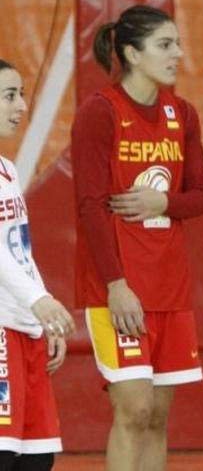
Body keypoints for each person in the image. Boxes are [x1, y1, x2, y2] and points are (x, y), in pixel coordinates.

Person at [70, 5, 203, 471]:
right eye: (165, 45)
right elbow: (89, 206)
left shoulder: (182, 114)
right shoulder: (99, 112)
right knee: (134, 410)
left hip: (170, 286)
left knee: (157, 417)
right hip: (119, 287)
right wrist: (115, 285)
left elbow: (199, 197)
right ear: (132, 52)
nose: (178, 54)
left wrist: (162, 204)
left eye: (178, 44)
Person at [0, 59, 76, 470]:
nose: (21, 106)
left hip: (25, 328)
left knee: (38, 459)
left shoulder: (8, 171)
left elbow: (19, 250)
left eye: (22, 94)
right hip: (1, 331)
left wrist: (42, 313)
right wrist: (38, 301)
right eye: (10, 95)